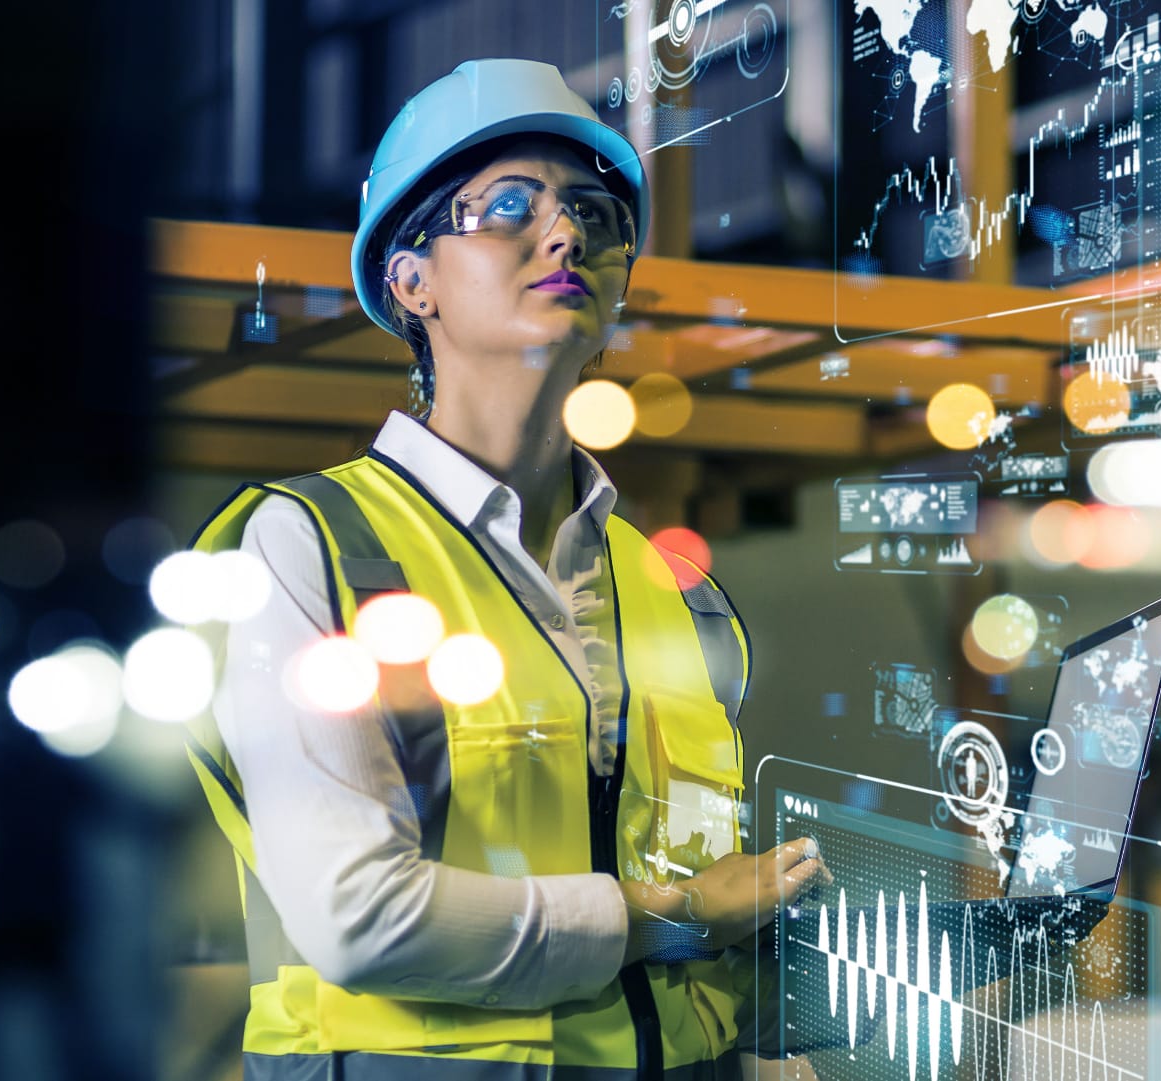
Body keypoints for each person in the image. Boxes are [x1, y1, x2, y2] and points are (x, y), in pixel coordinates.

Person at [182, 58, 827, 1080]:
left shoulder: (676, 594)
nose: (565, 234)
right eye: (509, 207)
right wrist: (676, 916)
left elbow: (695, 898)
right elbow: (360, 916)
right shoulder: (312, 548)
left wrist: (802, 1017)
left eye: (594, 213)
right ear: (410, 280)